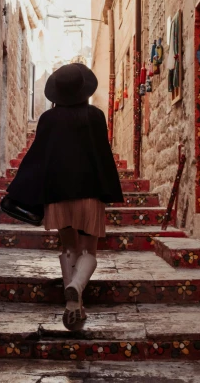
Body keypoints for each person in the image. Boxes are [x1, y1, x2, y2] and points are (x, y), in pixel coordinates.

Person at [7, 63, 123, 330]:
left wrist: (25, 189)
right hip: (89, 194)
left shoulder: (48, 120)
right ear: (84, 91)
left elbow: (38, 158)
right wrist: (109, 190)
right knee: (89, 251)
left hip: (57, 195)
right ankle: (76, 286)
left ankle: (74, 305)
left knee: (69, 248)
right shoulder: (95, 117)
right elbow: (102, 155)